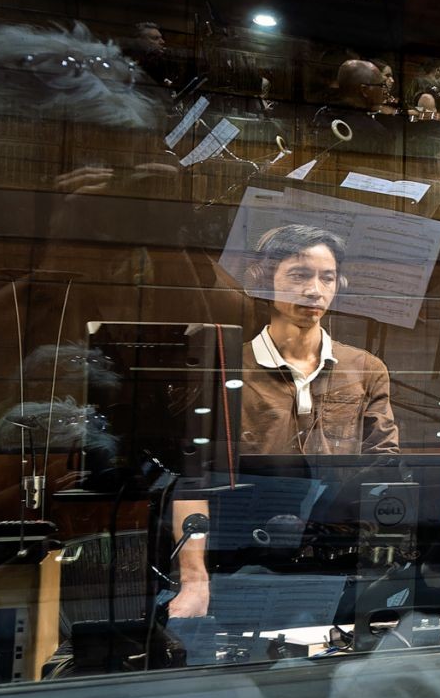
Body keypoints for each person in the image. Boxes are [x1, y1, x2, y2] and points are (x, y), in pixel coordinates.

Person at [169, 223, 399, 617]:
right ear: (263, 279)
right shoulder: (226, 368)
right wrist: (194, 580)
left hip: (336, 558)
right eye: (299, 275)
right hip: (241, 557)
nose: (314, 290)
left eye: (327, 278)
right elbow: (191, 482)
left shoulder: (365, 369)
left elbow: (384, 469)